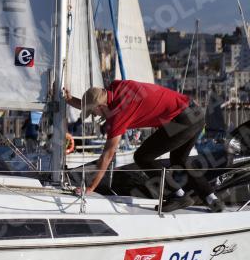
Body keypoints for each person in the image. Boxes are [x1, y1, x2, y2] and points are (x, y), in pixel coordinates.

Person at [66, 80, 223, 212]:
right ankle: (212, 199)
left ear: (101, 107)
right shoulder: (116, 87)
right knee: (179, 159)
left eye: (94, 113)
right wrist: (69, 99)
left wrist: (91, 188)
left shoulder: (119, 115)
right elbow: (95, 102)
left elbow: (107, 156)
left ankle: (178, 195)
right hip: (195, 112)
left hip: (182, 120)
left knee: (142, 157)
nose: (96, 116)